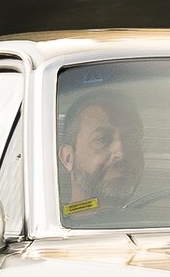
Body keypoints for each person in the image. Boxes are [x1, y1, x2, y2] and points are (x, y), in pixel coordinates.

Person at [56, 81, 148, 223]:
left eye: (132, 140)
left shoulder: (165, 229)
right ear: (68, 157)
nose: (120, 153)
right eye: (102, 139)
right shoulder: (48, 231)